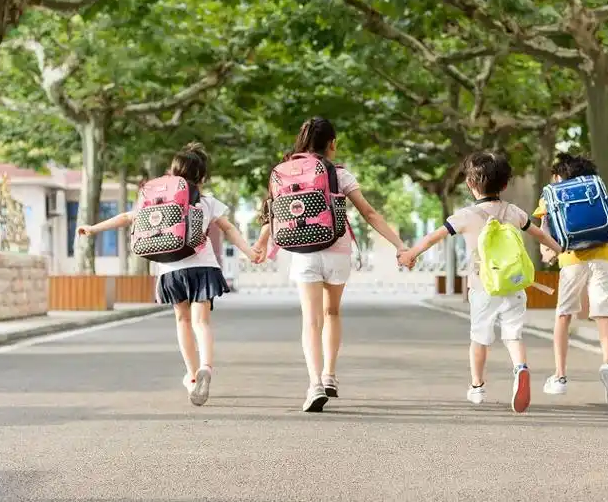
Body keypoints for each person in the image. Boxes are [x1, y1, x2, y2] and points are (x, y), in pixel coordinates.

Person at [77, 143, 259, 407]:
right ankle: (206, 366)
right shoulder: (207, 202)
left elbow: (127, 217)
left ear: (171, 173)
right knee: (202, 323)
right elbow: (229, 229)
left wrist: (93, 229)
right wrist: (250, 251)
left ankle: (193, 376)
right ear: (203, 178)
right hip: (203, 266)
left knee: (183, 322)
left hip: (171, 269)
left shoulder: (155, 203)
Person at [253, 117, 408, 412]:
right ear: (332, 143)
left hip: (303, 253)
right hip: (337, 250)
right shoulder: (340, 174)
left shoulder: (284, 172)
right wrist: (400, 246)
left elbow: (274, 213)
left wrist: (261, 244)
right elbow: (370, 214)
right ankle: (329, 375)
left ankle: (313, 385)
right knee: (332, 312)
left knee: (311, 321)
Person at [398, 151, 562, 413]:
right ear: (505, 184)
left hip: (483, 288)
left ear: (469, 184)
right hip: (514, 285)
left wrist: (409, 255)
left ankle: (477, 386)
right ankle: (520, 368)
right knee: (513, 334)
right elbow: (540, 235)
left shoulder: (465, 216)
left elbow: (432, 238)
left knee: (480, 338)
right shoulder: (514, 212)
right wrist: (559, 249)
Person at [535, 153, 608, 409]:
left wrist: (548, 253)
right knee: (603, 313)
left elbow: (545, 232)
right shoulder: (596, 189)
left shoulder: (550, 195)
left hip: (571, 262)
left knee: (563, 316)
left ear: (558, 175)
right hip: (604, 258)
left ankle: (560, 375)